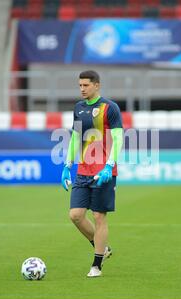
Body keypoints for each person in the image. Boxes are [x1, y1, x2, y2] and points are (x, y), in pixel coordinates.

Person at [61, 70, 124, 278]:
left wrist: (109, 165)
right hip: (83, 169)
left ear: (97, 85)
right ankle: (102, 248)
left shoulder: (110, 108)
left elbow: (118, 138)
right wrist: (67, 164)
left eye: (85, 85)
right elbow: (75, 137)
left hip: (103, 171)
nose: (82, 89)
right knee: (75, 215)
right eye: (79, 85)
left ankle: (96, 265)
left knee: (99, 216)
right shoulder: (78, 108)